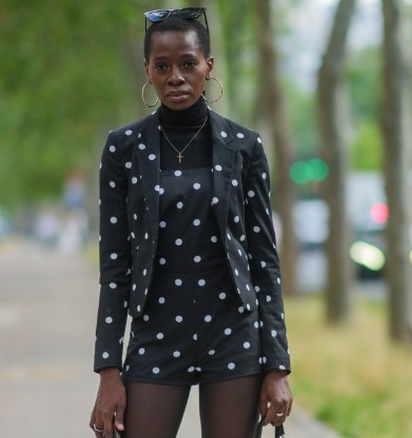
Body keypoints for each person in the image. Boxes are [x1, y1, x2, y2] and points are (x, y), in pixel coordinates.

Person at [89, 7, 292, 438]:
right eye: (162, 66)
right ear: (148, 70)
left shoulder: (244, 146)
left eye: (187, 64)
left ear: (208, 67)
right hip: (156, 335)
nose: (175, 77)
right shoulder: (122, 149)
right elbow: (115, 269)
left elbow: (264, 263)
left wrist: (277, 366)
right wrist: (108, 369)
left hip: (233, 335)